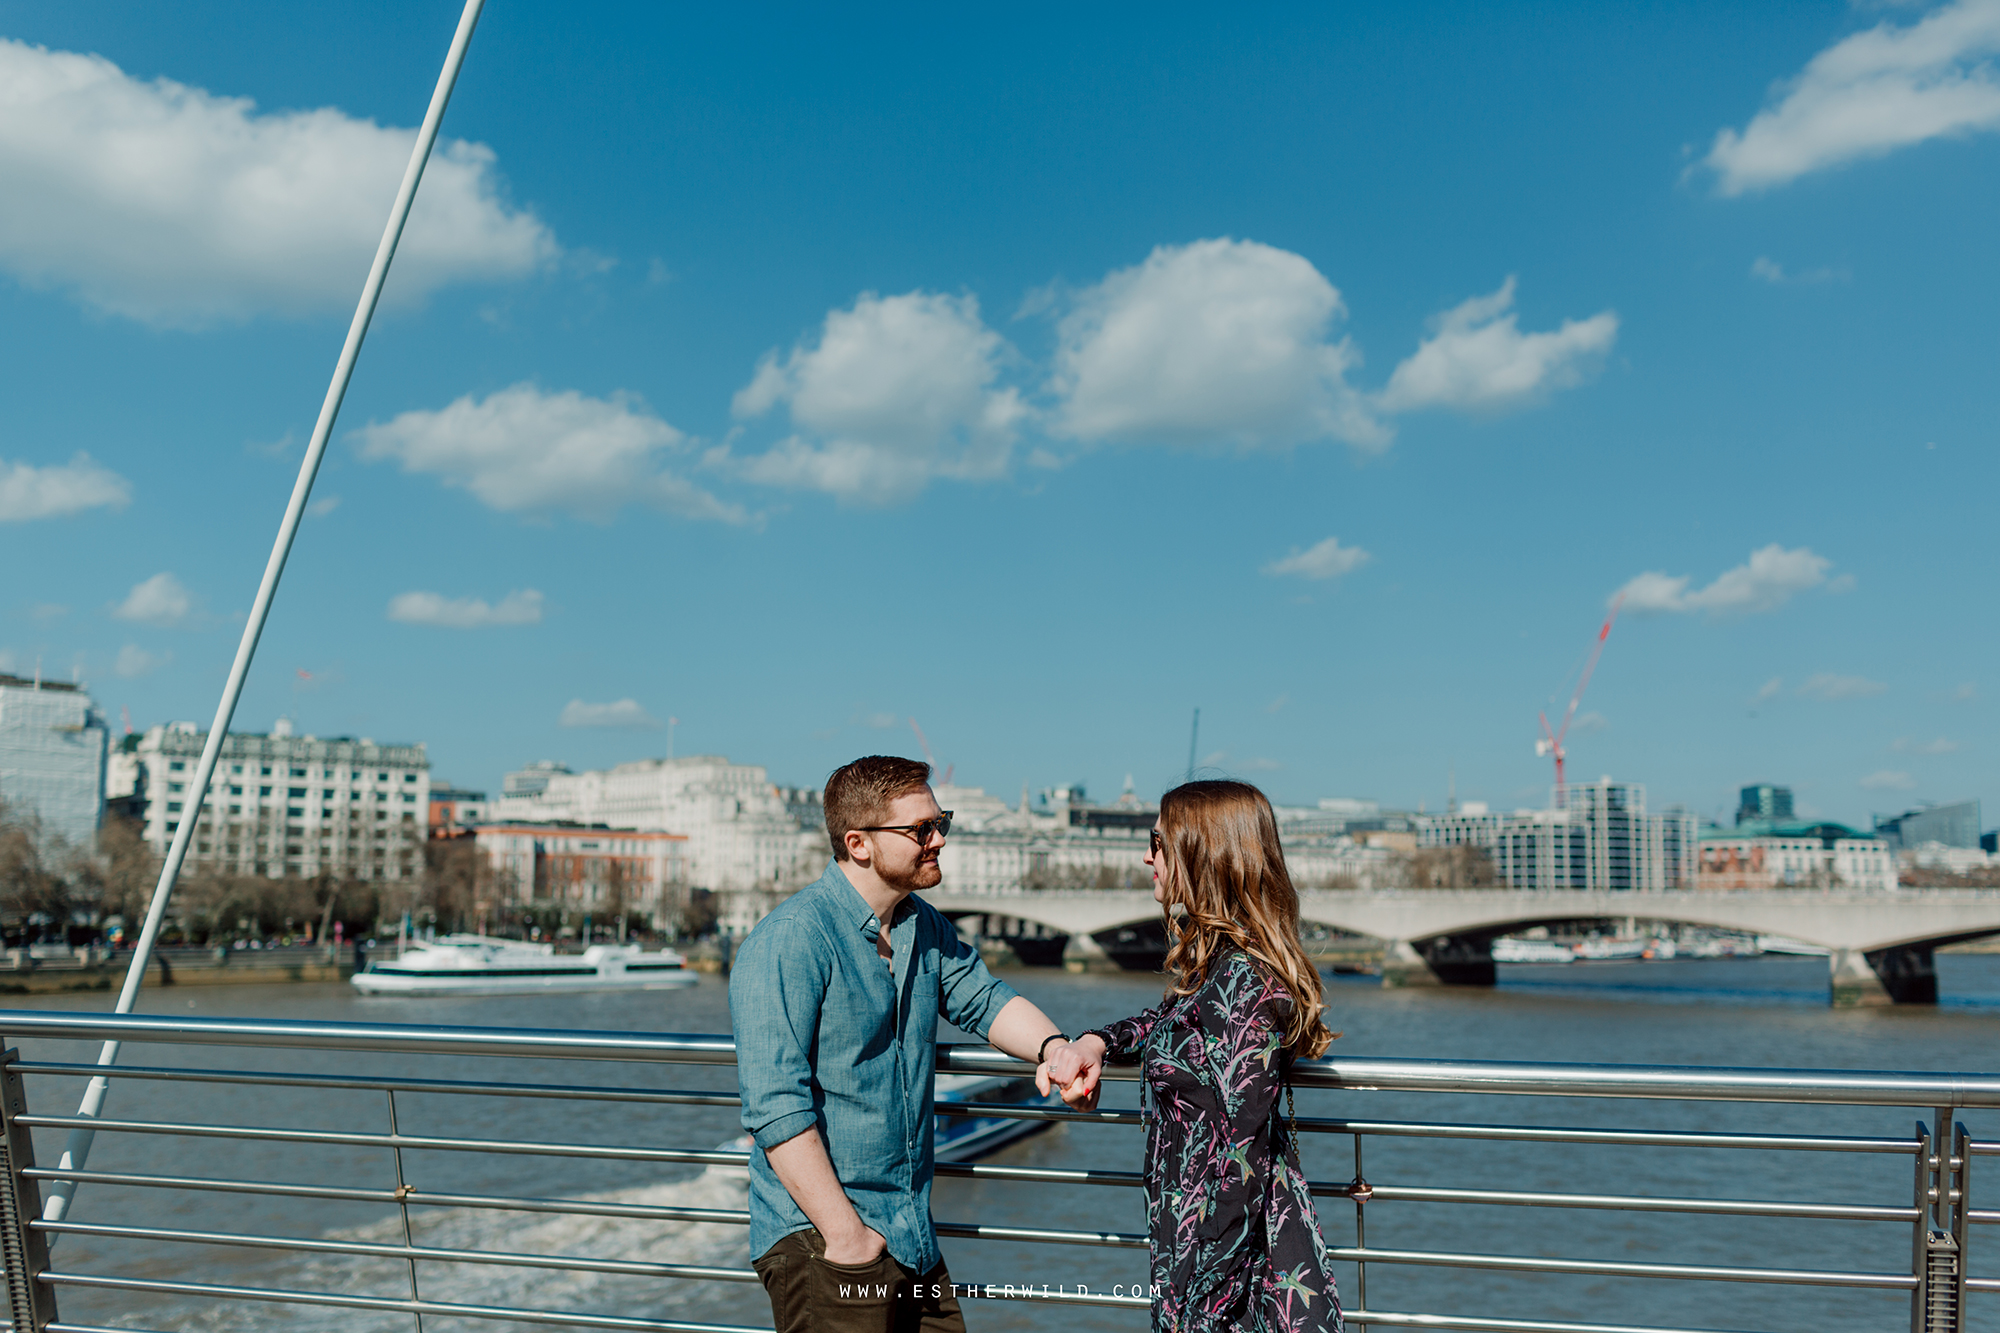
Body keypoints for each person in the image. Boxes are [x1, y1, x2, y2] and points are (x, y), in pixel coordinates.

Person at [729, 755, 1074, 1333]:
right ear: (858, 843)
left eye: (942, 822)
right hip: (827, 1241)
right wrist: (847, 1237)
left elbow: (985, 999)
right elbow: (776, 1108)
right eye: (921, 830)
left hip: (910, 1233)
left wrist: (1055, 1048)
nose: (939, 839)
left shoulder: (923, 926)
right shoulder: (791, 941)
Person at [1042, 779, 1343, 1333]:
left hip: (1225, 1276)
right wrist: (1098, 1041)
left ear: (1201, 853)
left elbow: (1242, 1158)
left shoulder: (1246, 981)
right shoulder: (1219, 966)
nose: (1147, 855)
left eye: (1157, 841)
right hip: (1190, 1252)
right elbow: (1168, 1023)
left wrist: (1201, 1301)